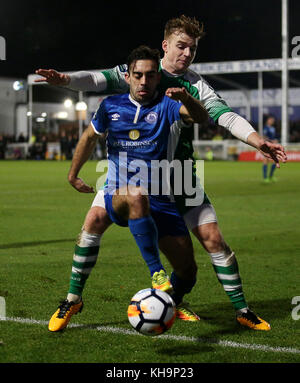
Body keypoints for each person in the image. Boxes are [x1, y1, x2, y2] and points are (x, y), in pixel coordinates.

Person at [36, 15, 287, 331]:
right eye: (181, 46)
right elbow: (96, 80)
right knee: (94, 220)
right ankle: (73, 299)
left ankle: (232, 309)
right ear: (165, 45)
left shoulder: (195, 85)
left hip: (180, 176)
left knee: (211, 242)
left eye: (192, 49)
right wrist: (65, 80)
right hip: (129, 173)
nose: (186, 54)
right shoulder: (144, 72)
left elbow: (225, 117)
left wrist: (258, 140)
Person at [48, 45, 209, 332]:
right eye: (138, 75)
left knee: (188, 270)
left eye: (150, 76)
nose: (144, 82)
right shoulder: (111, 105)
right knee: (101, 216)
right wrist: (73, 174)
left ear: (158, 78)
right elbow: (89, 137)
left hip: (161, 197)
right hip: (118, 191)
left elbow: (200, 117)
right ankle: (75, 298)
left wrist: (187, 97)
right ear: (128, 77)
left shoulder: (167, 106)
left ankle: (172, 300)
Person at [262, 116, 278, 183]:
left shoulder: (273, 128)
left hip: (272, 146)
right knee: (266, 161)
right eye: (271, 120)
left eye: (273, 120)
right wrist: (272, 141)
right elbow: (264, 137)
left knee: (275, 161)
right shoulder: (266, 128)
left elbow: (273, 136)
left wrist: (275, 140)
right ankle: (265, 178)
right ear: (268, 120)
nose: (272, 121)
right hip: (267, 146)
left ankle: (271, 176)